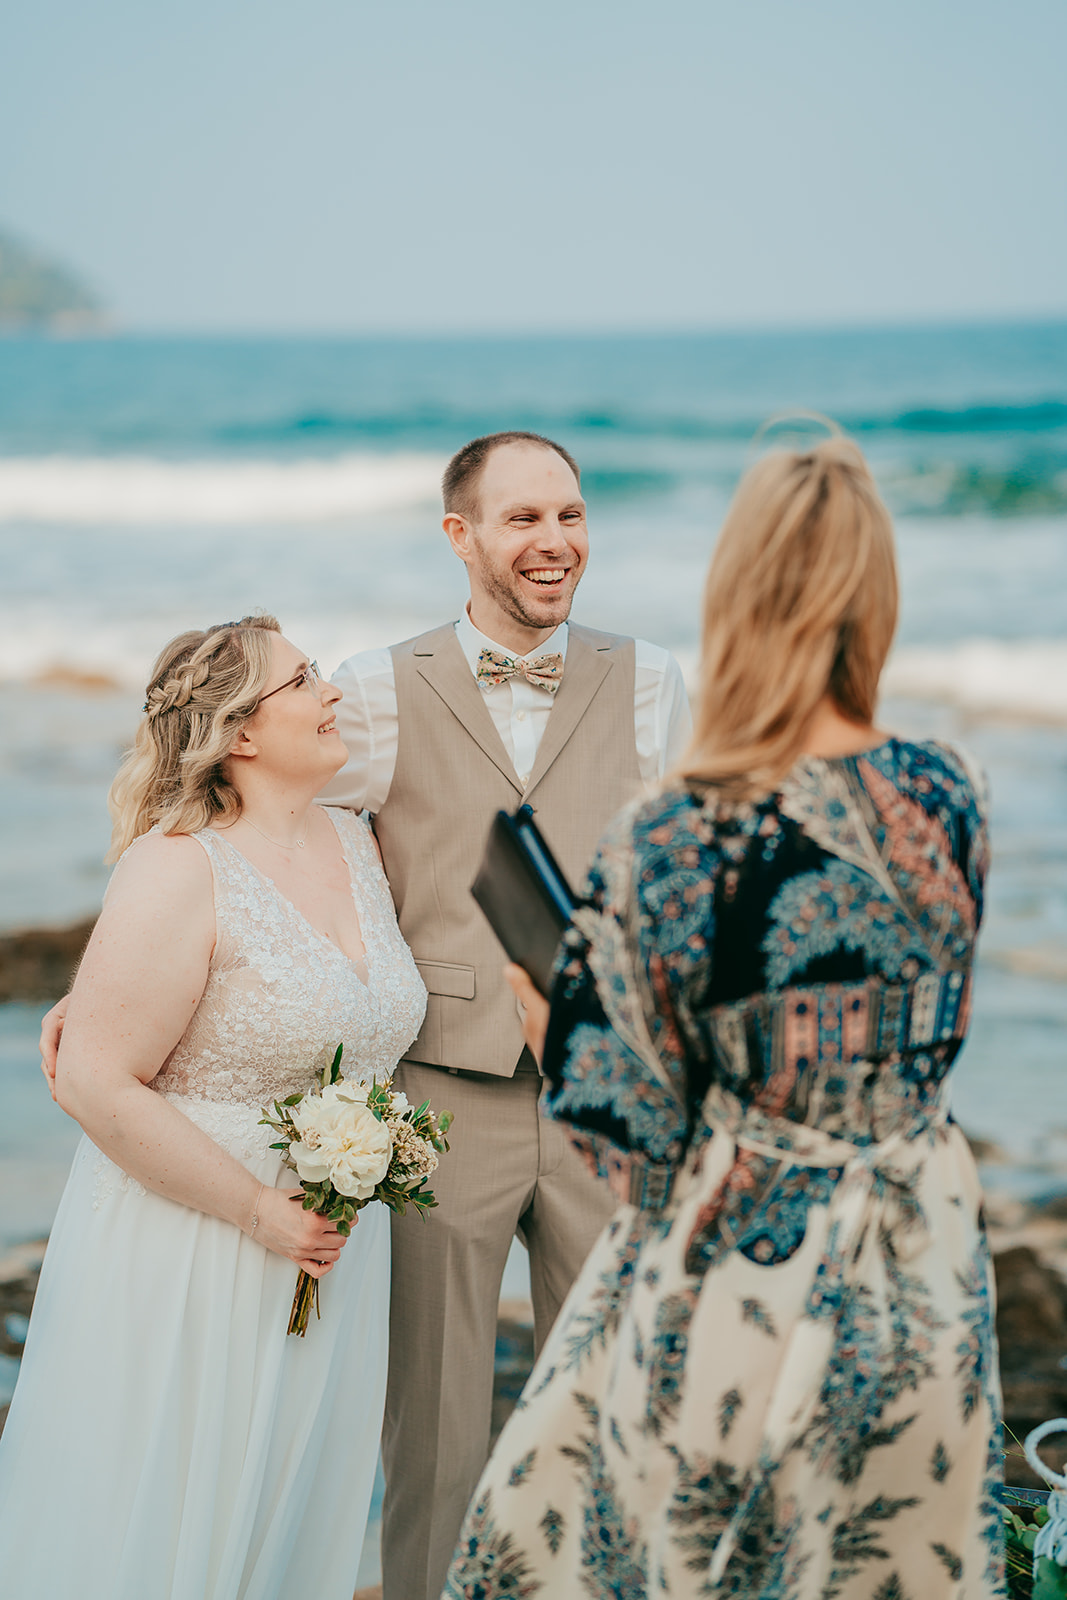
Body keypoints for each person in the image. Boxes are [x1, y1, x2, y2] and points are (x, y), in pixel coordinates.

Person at [444, 435, 1005, 1599]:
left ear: (736, 598)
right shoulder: (952, 790)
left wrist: (546, 1007)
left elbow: (627, 1132)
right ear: (877, 597)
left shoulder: (675, 833)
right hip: (926, 1244)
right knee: (891, 1557)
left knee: (599, 1544)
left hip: (749, 1260)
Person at [317, 430, 693, 1600]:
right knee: (433, 1423)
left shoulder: (654, 679)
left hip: (605, 1100)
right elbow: (292, 850)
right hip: (436, 1105)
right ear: (460, 536)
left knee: (622, 1406)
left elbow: (679, 885)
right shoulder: (373, 688)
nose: (554, 543)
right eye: (524, 519)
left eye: (571, 517)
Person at [5, 616, 427, 1598]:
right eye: (304, 680)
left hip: (331, 1246)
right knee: (173, 1514)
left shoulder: (359, 840)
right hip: (196, 1243)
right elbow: (96, 1081)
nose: (332, 692)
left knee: (288, 1508)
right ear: (241, 733)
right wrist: (254, 1209)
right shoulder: (176, 866)